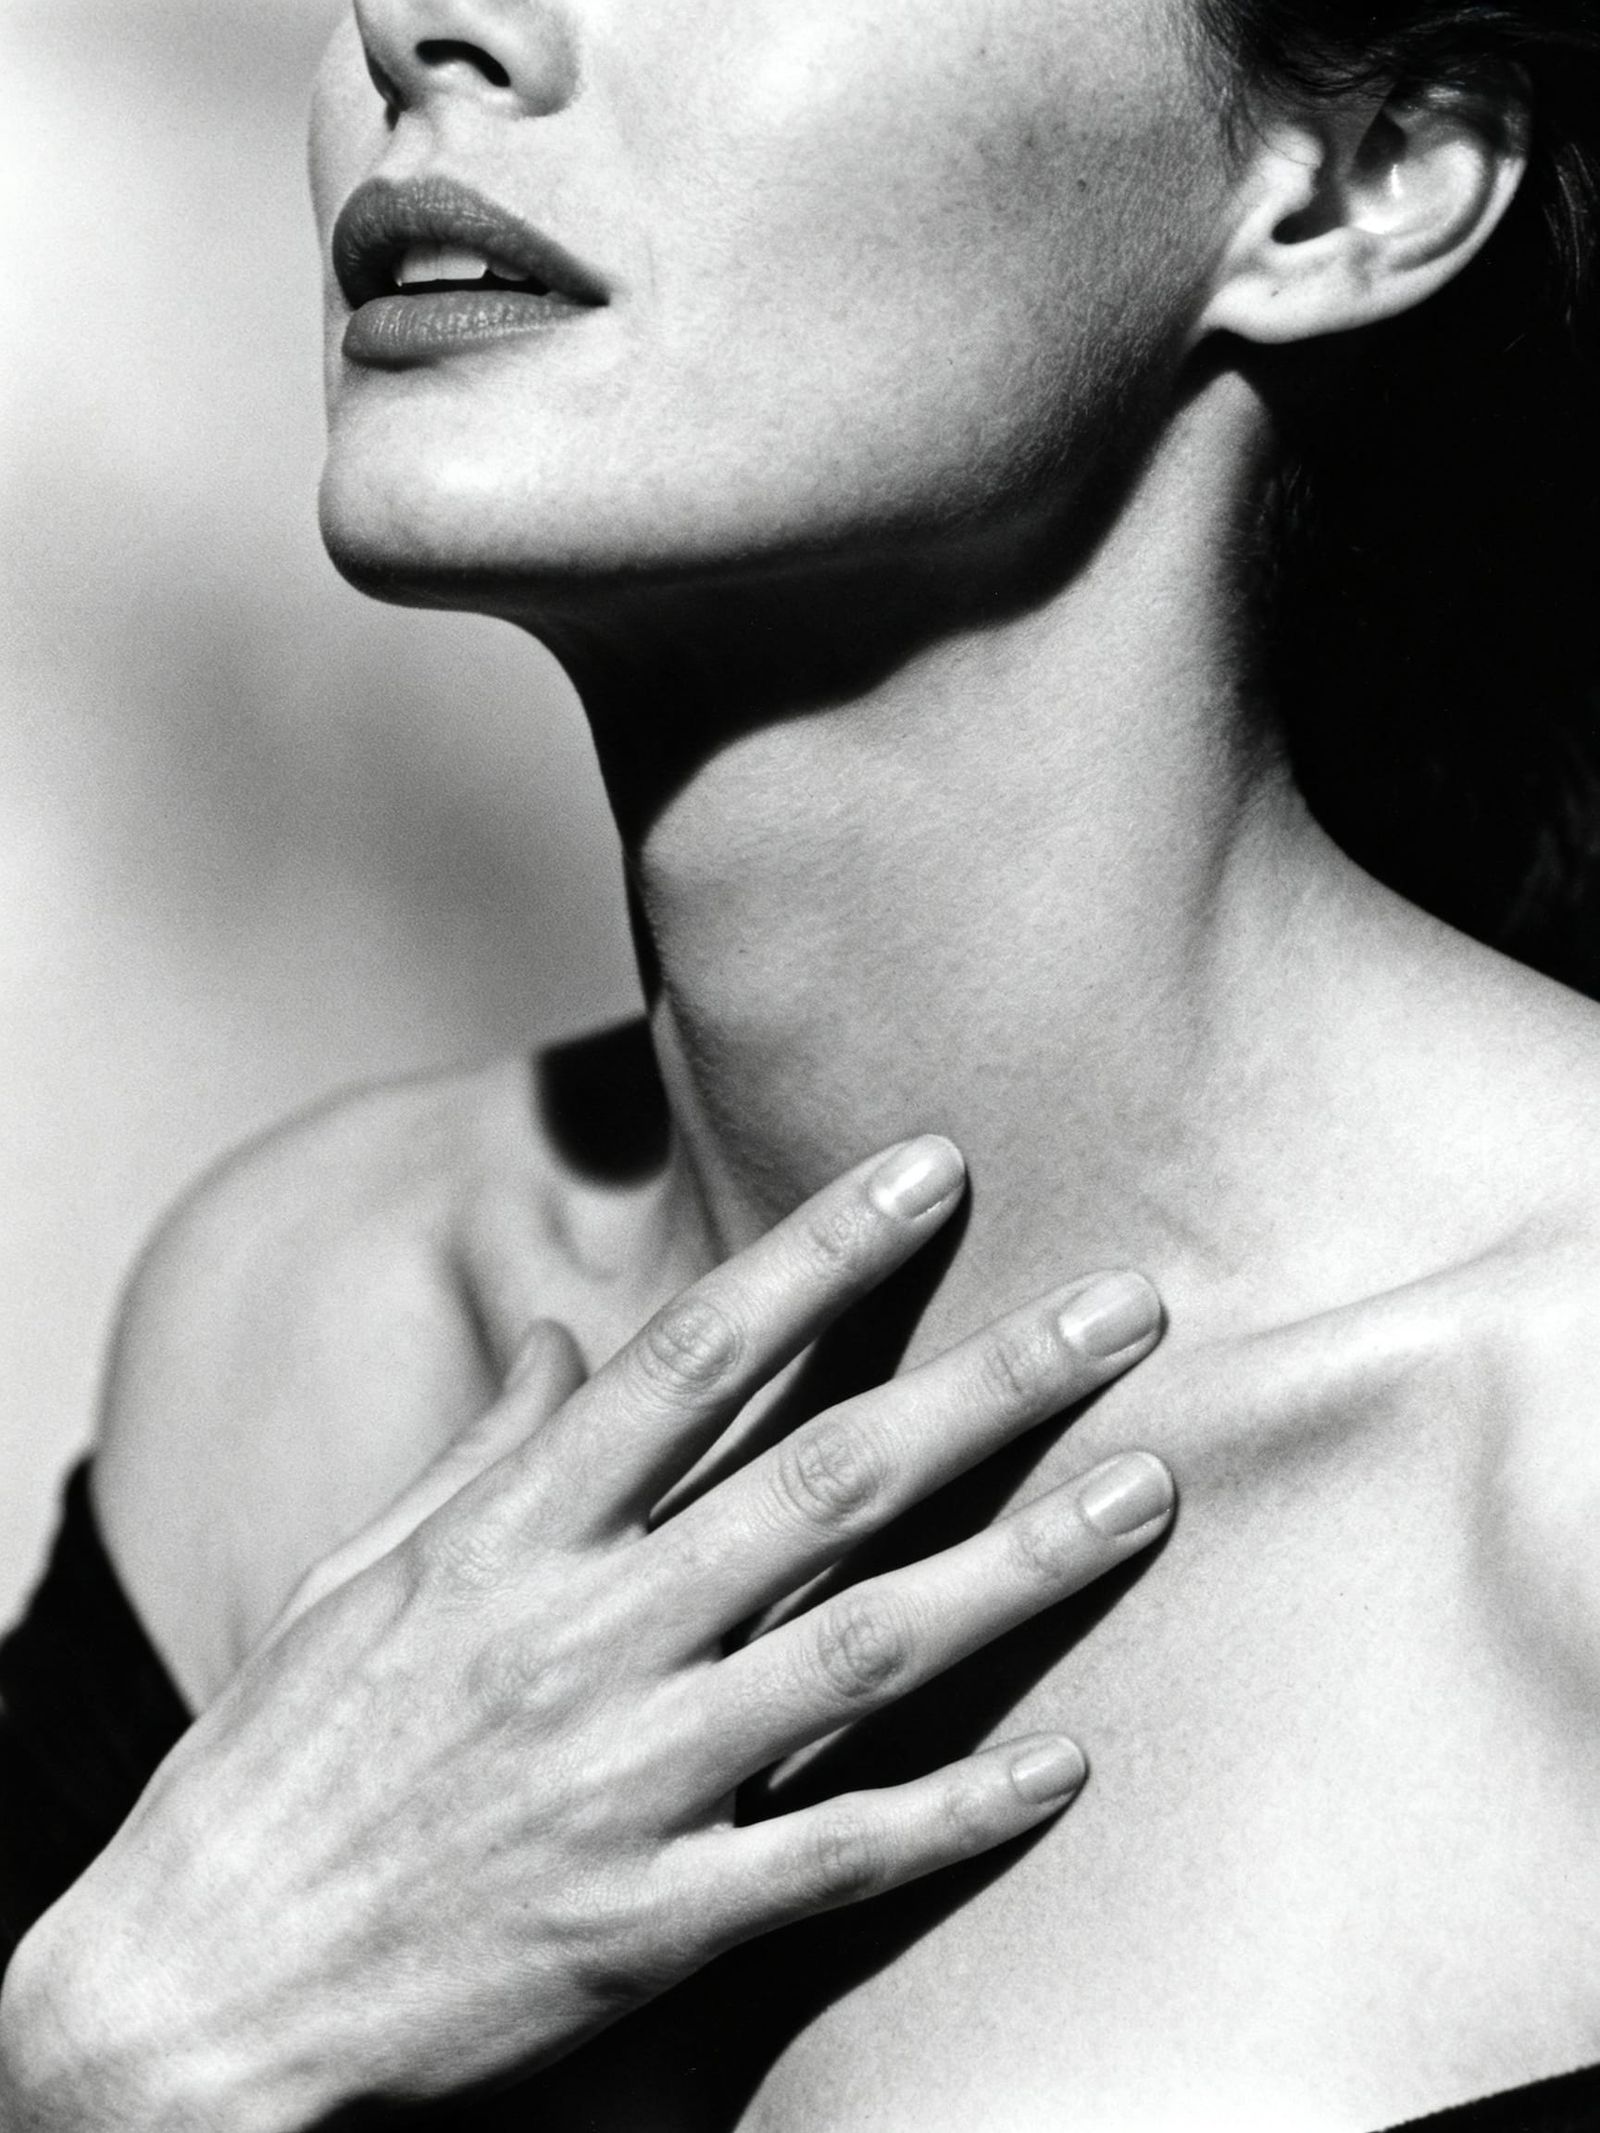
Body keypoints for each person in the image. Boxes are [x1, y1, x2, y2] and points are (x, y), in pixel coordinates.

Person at [4, 0, 1600, 2123]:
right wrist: (126, 2054)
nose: (432, 17)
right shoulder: (305, 1327)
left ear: (1355, 182)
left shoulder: (1560, 1471)